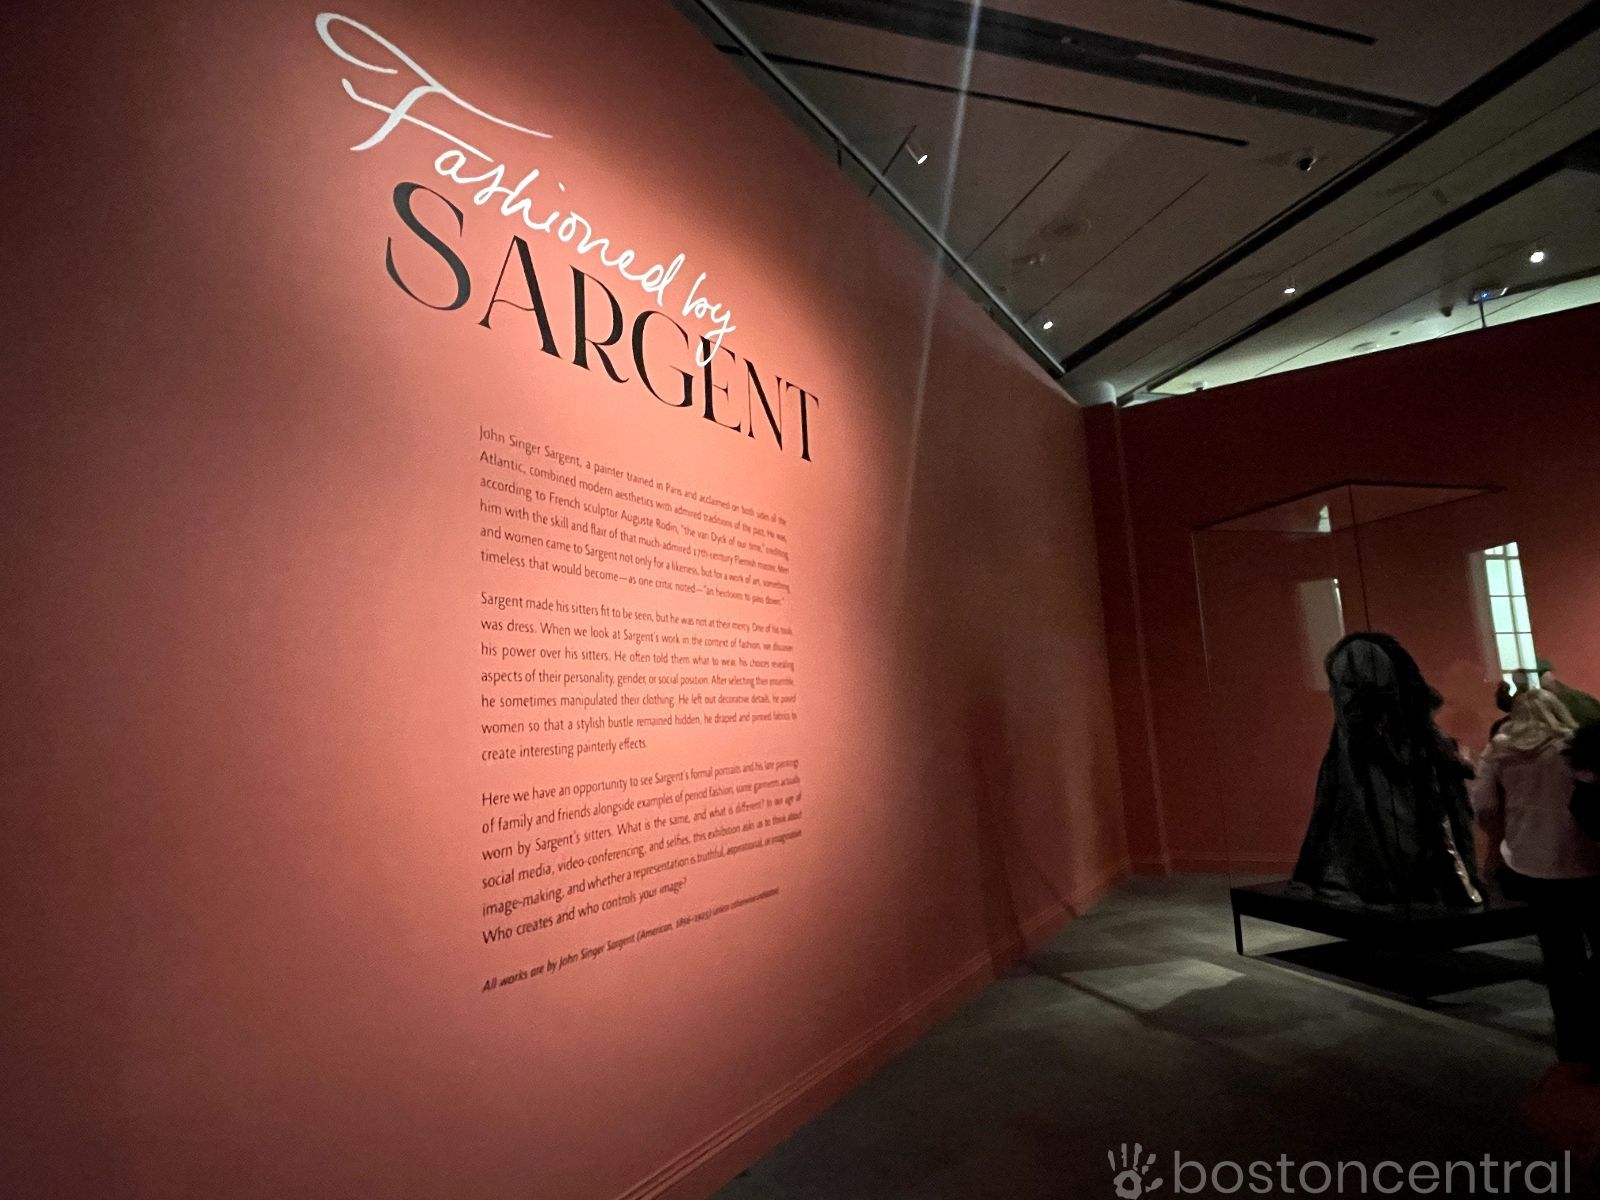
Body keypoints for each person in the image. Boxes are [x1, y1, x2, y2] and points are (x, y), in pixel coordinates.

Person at [1293, 632, 1483, 908]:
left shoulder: (1408, 754)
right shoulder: (1355, 757)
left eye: (1346, 688)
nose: (1337, 696)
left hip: (1384, 770)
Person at [1472, 689, 1600, 1069]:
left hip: (1530, 863)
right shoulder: (1571, 748)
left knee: (1559, 957)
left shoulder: (1500, 750)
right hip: (1586, 861)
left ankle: (1572, 1043)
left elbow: (1484, 805)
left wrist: (1499, 842)